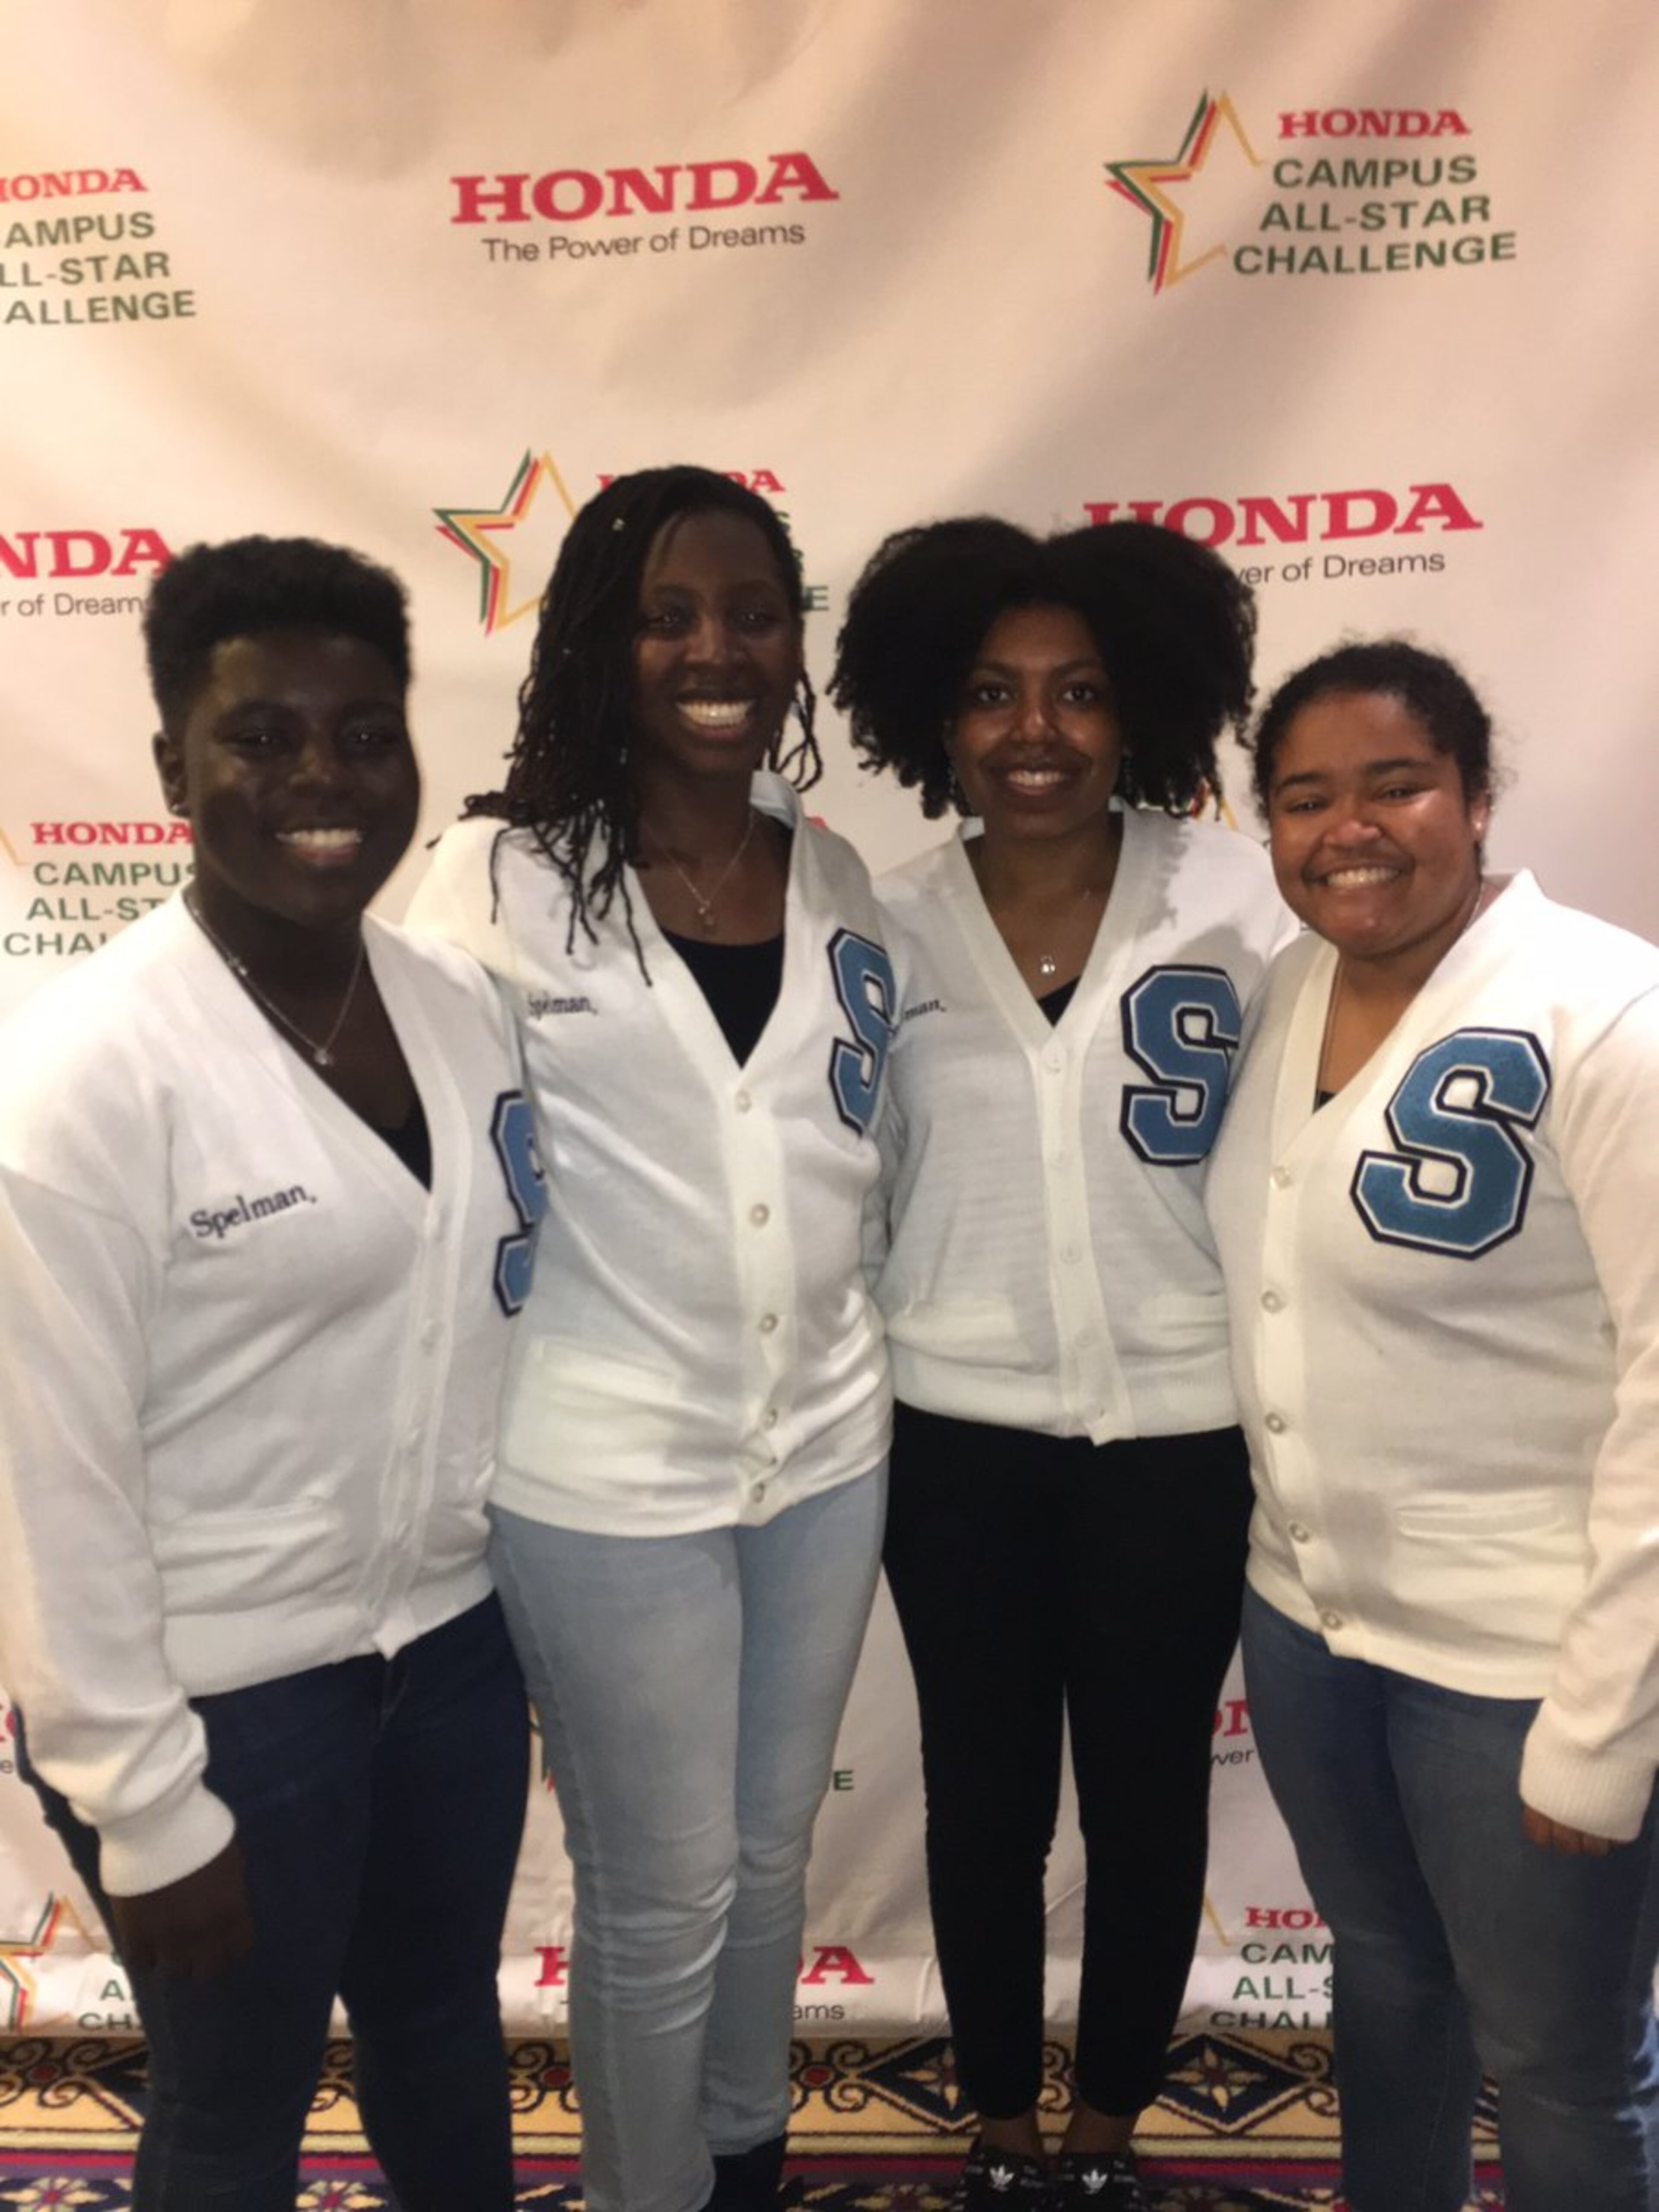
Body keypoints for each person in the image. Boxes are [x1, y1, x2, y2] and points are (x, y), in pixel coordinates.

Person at [0, 537, 536, 2212]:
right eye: (262, 735)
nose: (323, 775)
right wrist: (142, 1800)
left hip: (446, 1658)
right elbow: (42, 1480)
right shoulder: (82, 1082)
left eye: (365, 731)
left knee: (447, 2031)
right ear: (172, 763)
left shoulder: (459, 1008)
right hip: (225, 1705)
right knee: (234, 2112)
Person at [406, 465, 893, 2212]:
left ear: (793, 646)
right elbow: (425, 1173)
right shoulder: (497, 878)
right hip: (600, 1469)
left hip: (830, 1444)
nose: (716, 646)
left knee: (772, 1856)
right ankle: (651, 2188)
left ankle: (743, 2155)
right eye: (670, 612)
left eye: (752, 612)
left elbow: (853, 1149)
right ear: (605, 644)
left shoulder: (836, 875)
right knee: (664, 1881)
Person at [829, 517, 1290, 2212]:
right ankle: (1001, 2133)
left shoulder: (1244, 901)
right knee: (984, 1796)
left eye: (1082, 691)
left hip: (1183, 1432)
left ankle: (1108, 2137)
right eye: (994, 692)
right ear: (932, 718)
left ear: (1144, 706)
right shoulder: (874, 924)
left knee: (1155, 1791)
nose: (1037, 728)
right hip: (952, 1441)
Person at [1205, 639, 1659, 2212]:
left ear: (1475, 796)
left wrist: (1604, 1722)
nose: (1352, 829)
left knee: (1559, 2066)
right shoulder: (1284, 993)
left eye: (1396, 785)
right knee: (1389, 1989)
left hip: (1524, 1664)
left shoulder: (1608, 1013)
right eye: (1306, 797)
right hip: (1316, 1636)